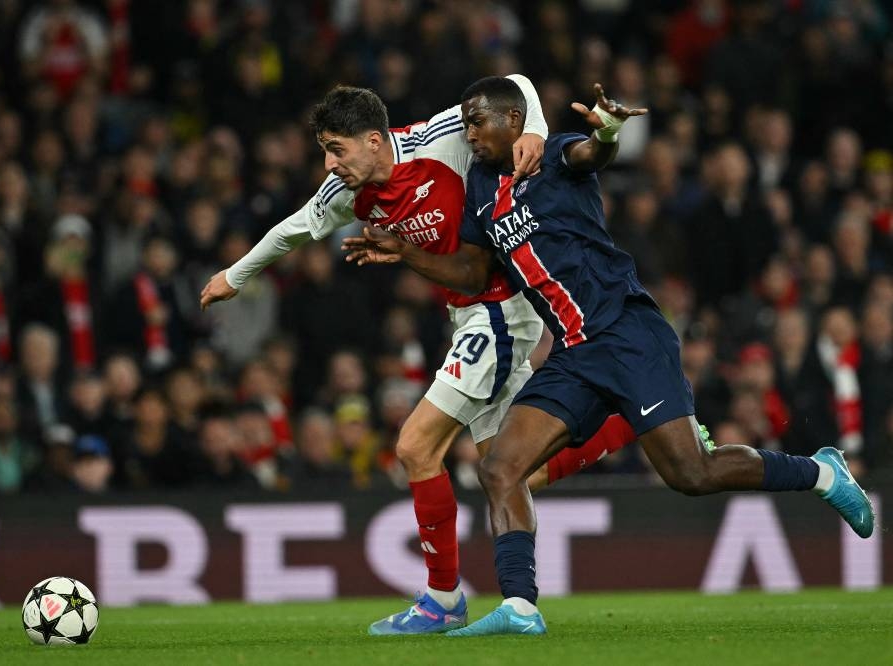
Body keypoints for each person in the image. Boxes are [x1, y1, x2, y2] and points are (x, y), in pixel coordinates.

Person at [343, 77, 875, 636]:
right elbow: (474, 274)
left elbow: (592, 152)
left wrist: (611, 128)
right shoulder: (478, 185)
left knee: (691, 473)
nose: (468, 132)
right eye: (467, 122)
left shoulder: (552, 154)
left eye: (479, 121)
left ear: (512, 120)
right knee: (500, 466)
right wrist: (407, 253)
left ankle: (820, 472)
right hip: (574, 353)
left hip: (629, 335)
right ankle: (521, 608)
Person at [200, 77, 640, 635]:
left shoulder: (441, 136)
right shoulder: (344, 194)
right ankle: (632, 425)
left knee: (414, 445)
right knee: (511, 469)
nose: (330, 164)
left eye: (338, 149)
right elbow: (293, 230)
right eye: (324, 152)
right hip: (466, 311)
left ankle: (442, 599)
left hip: (501, 307)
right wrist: (234, 277)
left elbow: (520, 86)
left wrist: (531, 129)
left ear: (375, 140)